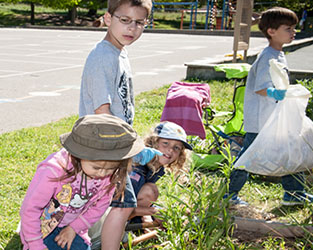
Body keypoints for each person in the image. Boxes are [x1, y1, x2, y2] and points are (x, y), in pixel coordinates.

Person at [77, 0, 153, 247]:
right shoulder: (102, 56)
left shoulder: (119, 52)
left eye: (139, 23)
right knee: (123, 204)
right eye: (125, 20)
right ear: (108, 19)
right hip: (104, 145)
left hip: (114, 145)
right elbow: (103, 110)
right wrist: (128, 146)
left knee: (106, 202)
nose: (132, 28)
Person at [225, 7, 313, 206]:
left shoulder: (278, 54)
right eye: (288, 28)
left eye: (294, 28)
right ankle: (229, 194)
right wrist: (278, 93)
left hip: (273, 117)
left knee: (290, 150)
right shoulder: (268, 56)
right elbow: (262, 88)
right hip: (261, 120)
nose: (293, 32)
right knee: (248, 156)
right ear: (271, 32)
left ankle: (294, 193)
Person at [19, 114, 145, 250]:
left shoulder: (110, 176)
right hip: (41, 227)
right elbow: (30, 209)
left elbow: (99, 207)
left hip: (72, 226)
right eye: (97, 167)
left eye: (111, 168)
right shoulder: (53, 171)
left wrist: (74, 228)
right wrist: (35, 244)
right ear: (78, 156)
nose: (103, 174)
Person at [128, 122, 192, 223]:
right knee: (150, 190)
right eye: (165, 143)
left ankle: (139, 220)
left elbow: (142, 199)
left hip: (131, 209)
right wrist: (151, 212)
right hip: (113, 213)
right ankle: (127, 226)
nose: (170, 150)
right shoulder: (137, 168)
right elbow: (120, 205)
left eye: (176, 148)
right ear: (153, 143)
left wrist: (152, 213)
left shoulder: (156, 168)